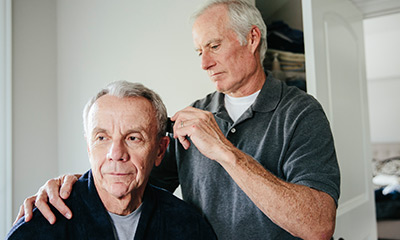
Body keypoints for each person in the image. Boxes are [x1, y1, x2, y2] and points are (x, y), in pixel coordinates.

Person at [16, 0, 340, 239]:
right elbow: (135, 181)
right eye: (199, 51)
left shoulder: (301, 113)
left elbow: (319, 225)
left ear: (252, 38)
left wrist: (225, 152)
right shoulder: (190, 119)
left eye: (214, 46)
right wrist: (72, 187)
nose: (205, 64)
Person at [8, 81, 216, 240]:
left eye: (133, 138)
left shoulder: (188, 225)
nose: (116, 153)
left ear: (160, 150)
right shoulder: (43, 222)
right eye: (102, 138)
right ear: (89, 147)